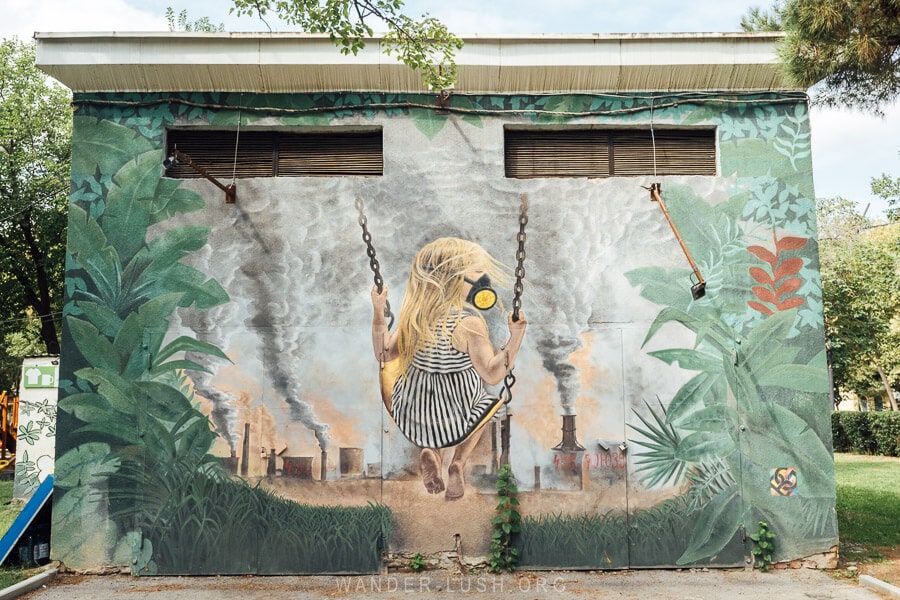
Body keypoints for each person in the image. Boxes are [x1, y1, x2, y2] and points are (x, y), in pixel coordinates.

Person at [371, 237, 527, 500]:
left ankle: (431, 451)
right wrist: (516, 336)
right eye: (475, 272)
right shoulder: (468, 324)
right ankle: (458, 462)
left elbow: (384, 353)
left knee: (434, 406)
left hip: (413, 414)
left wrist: (378, 311)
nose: (482, 277)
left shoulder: (416, 319)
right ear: (454, 279)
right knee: (485, 406)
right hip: (457, 416)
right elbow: (492, 372)